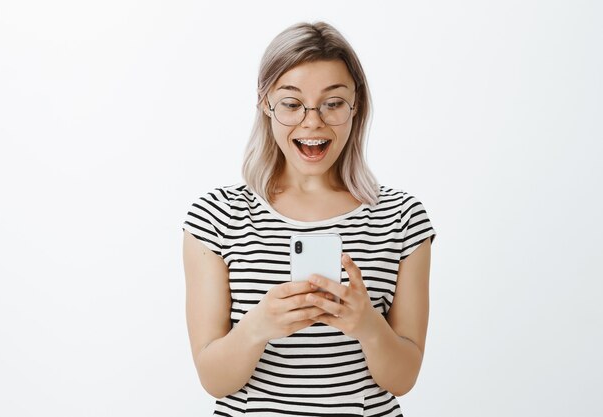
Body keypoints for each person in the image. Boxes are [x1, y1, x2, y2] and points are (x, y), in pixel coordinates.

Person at [182, 21, 437, 417]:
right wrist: (259, 326)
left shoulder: (402, 219)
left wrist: (367, 324)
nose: (313, 121)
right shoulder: (216, 217)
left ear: (357, 106)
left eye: (333, 103)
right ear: (266, 105)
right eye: (291, 103)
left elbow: (402, 379)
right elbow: (213, 380)